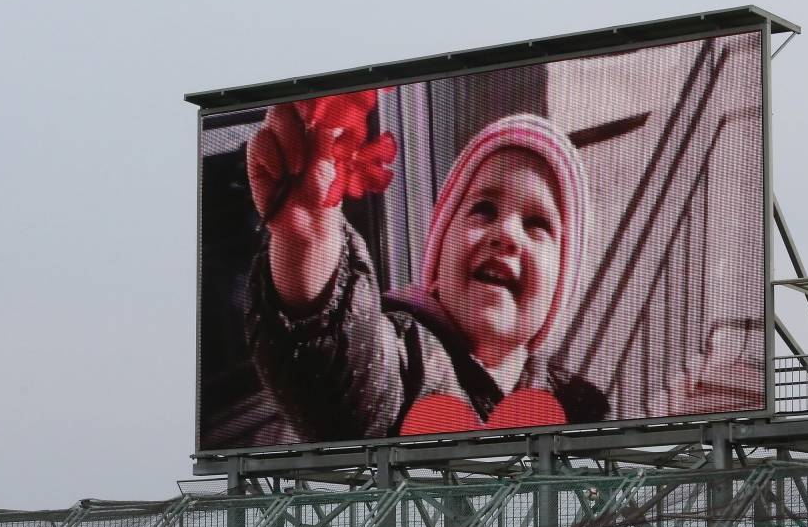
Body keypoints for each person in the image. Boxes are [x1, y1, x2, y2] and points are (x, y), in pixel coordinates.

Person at [245, 94, 608, 441]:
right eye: (483, 209)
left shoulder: (575, 410)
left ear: (561, 286)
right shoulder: (405, 357)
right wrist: (308, 239)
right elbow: (339, 364)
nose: (505, 233)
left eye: (536, 224)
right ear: (439, 252)